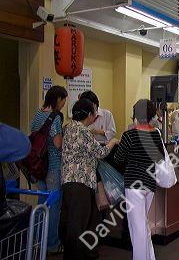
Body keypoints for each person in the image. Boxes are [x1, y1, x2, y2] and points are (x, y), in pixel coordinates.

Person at [61, 99, 118, 260]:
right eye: (94, 112)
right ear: (89, 114)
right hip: (81, 183)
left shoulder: (70, 127)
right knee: (77, 226)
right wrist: (113, 141)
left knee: (78, 221)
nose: (96, 116)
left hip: (68, 181)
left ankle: (85, 253)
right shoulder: (82, 131)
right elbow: (100, 153)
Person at [114, 99, 164, 260]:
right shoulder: (156, 134)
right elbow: (159, 158)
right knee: (144, 226)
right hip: (149, 184)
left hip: (133, 184)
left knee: (138, 229)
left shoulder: (129, 135)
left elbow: (118, 158)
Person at [30, 85, 67, 254]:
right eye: (64, 99)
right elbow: (57, 143)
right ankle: (52, 244)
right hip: (52, 166)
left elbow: (34, 135)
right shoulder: (55, 117)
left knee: (41, 203)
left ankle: (37, 241)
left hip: (37, 166)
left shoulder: (37, 114)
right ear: (58, 99)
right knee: (53, 206)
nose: (64, 103)